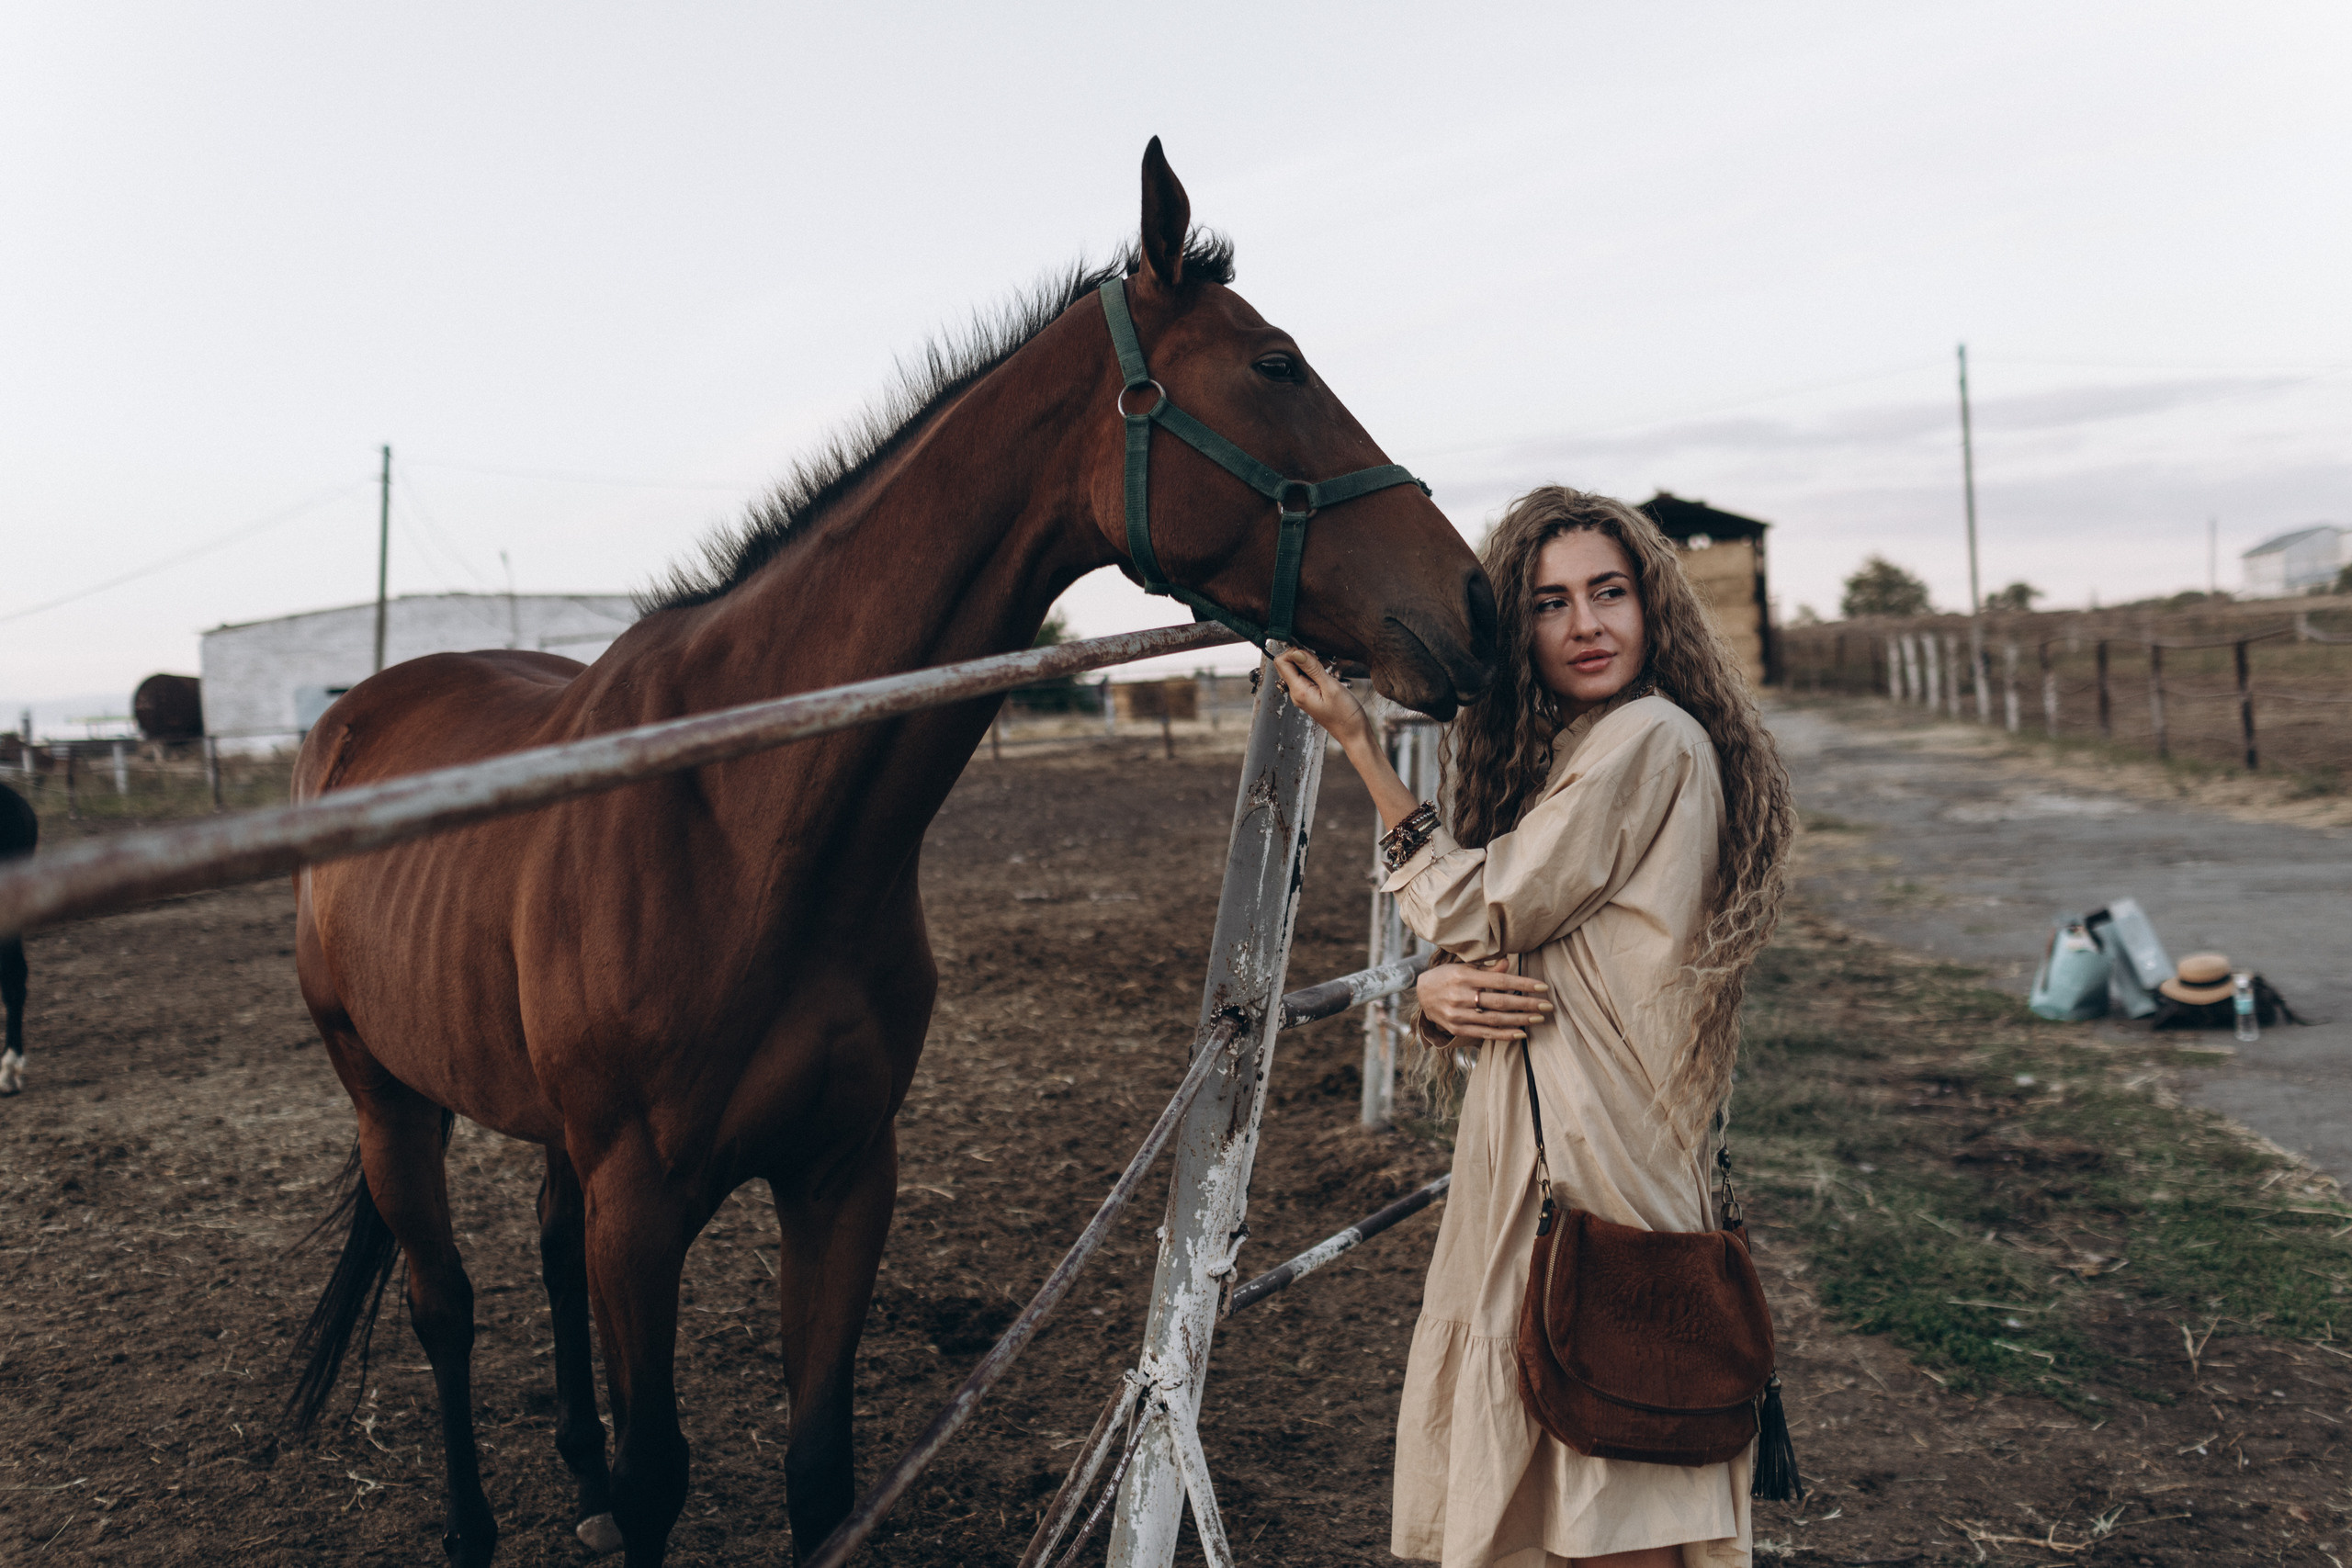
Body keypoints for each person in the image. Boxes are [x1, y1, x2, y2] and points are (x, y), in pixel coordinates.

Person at [1273, 486, 1795, 1568]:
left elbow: (1487, 905)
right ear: (1522, 630)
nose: (1587, 626)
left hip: (1600, 1160)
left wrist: (1361, 750)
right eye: (1552, 604)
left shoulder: (1647, 736)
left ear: (1653, 609)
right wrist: (1434, 996)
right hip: (1555, 1144)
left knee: (1615, 1462)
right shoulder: (1588, 746)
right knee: (1570, 1472)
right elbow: (1529, 949)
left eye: (1609, 593)